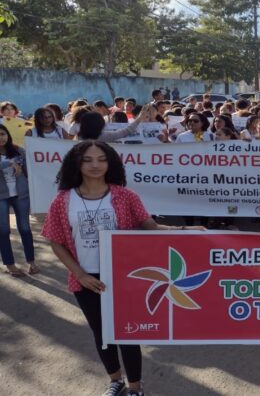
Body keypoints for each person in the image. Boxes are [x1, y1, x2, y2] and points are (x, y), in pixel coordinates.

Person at [41, 141, 204, 396]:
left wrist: (184, 230)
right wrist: (80, 274)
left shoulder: (125, 196)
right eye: (87, 160)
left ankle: (135, 387)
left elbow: (150, 227)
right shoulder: (62, 200)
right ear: (77, 164)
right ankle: (115, 380)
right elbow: (55, 240)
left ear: (111, 163)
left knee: (126, 331)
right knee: (101, 332)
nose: (95, 165)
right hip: (85, 279)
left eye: (101, 159)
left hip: (122, 276)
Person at [0, 124, 36, 277]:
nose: (0, 138)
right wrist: (10, 163)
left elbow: (30, 172)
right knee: (3, 231)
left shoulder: (19, 151)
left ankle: (32, 262)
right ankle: (10, 265)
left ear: (7, 134)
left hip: (21, 195)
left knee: (25, 229)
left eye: (2, 134)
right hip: (1, 197)